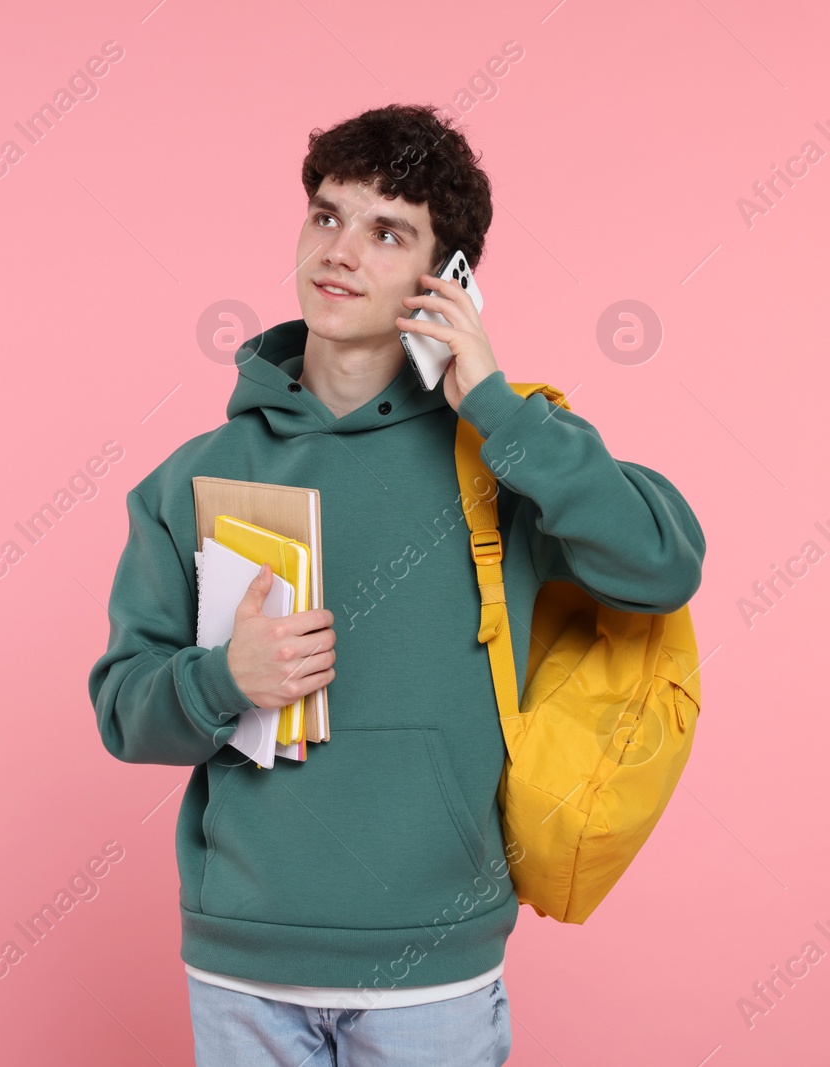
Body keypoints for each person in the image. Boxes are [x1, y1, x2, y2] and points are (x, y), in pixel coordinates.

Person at [86, 103, 705, 1066]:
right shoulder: (193, 474)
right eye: (327, 217)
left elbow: (663, 564)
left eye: (388, 232)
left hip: (435, 975)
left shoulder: (502, 457)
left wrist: (497, 403)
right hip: (243, 970)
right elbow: (124, 711)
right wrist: (223, 679)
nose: (341, 252)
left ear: (444, 278)